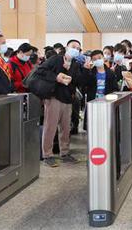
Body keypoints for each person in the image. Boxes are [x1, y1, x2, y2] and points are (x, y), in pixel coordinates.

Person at [36, 39, 90, 167]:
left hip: (67, 98)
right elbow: (41, 71)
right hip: (54, 97)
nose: (75, 49)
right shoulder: (56, 59)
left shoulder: (76, 64)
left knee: (66, 128)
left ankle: (64, 152)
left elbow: (79, 82)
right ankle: (47, 155)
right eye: (73, 47)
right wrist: (56, 77)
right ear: (66, 47)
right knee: (50, 127)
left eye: (78, 48)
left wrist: (86, 70)